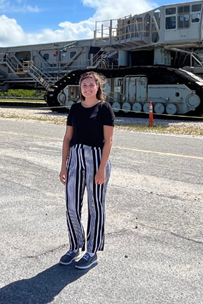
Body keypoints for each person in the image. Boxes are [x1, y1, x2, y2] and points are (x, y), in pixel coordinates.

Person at [59, 71, 115, 270]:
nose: (88, 88)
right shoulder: (74, 108)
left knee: (95, 206)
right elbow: (67, 138)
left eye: (92, 84)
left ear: (98, 87)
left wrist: (101, 170)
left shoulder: (104, 108)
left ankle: (91, 252)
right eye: (84, 85)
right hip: (75, 158)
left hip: (97, 159)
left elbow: (108, 141)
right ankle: (75, 245)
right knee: (72, 205)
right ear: (80, 88)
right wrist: (64, 165)